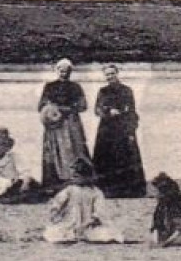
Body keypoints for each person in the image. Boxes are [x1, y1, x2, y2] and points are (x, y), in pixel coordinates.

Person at [92, 65, 147, 198]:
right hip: (106, 129)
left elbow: (132, 110)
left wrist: (131, 129)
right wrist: (108, 111)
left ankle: (128, 189)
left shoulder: (126, 90)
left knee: (125, 155)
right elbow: (97, 109)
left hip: (122, 127)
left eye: (112, 74)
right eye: (107, 75)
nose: (110, 77)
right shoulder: (102, 91)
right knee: (106, 156)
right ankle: (108, 189)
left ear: (117, 74)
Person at [43, 157, 125, 244]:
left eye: (76, 176)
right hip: (83, 227)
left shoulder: (74, 190)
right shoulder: (94, 191)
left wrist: (55, 216)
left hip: (75, 226)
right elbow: (100, 212)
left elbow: (56, 206)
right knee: (105, 234)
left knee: (55, 234)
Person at [38, 58, 91, 190]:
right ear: (57, 71)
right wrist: (50, 109)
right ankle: (54, 181)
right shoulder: (49, 86)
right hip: (54, 124)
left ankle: (75, 179)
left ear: (70, 72)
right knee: (54, 150)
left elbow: (83, 106)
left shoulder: (76, 87)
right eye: (61, 71)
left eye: (66, 71)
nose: (64, 73)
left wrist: (68, 109)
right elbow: (41, 105)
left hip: (71, 122)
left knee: (74, 149)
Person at [0, 128, 42, 202]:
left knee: (25, 188)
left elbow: (25, 171)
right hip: (2, 185)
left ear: (5, 147)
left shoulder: (13, 157)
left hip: (16, 182)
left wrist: (25, 182)